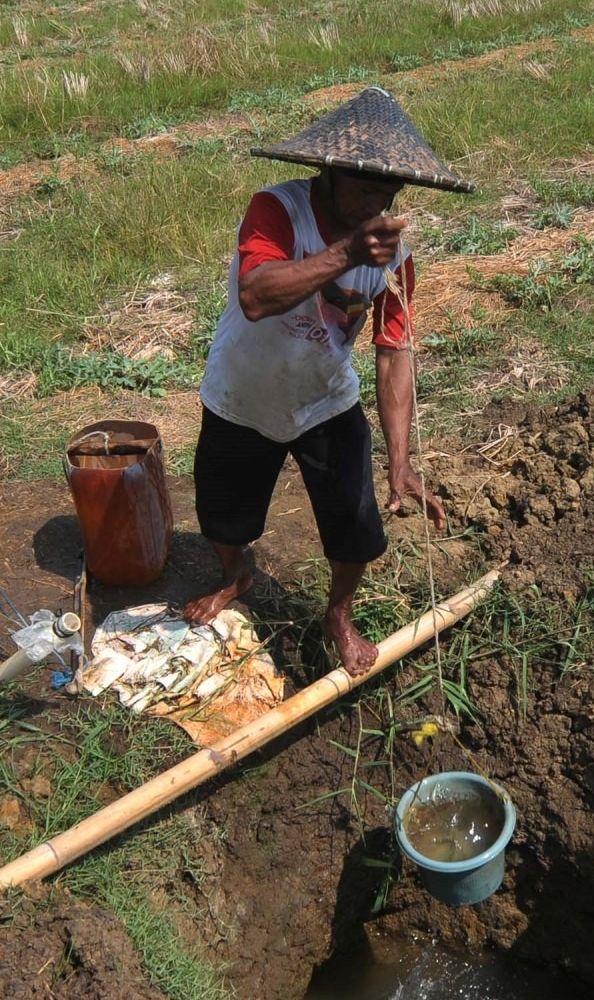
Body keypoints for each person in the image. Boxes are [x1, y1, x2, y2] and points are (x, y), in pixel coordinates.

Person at [183, 87, 473, 675]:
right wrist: (345, 255)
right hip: (243, 395)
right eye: (365, 185)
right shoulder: (277, 210)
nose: (376, 201)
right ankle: (236, 575)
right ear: (328, 170)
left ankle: (338, 614)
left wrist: (399, 460)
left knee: (355, 531)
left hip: (323, 402)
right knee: (223, 518)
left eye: (388, 190)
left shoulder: (396, 258)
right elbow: (258, 295)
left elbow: (394, 353)